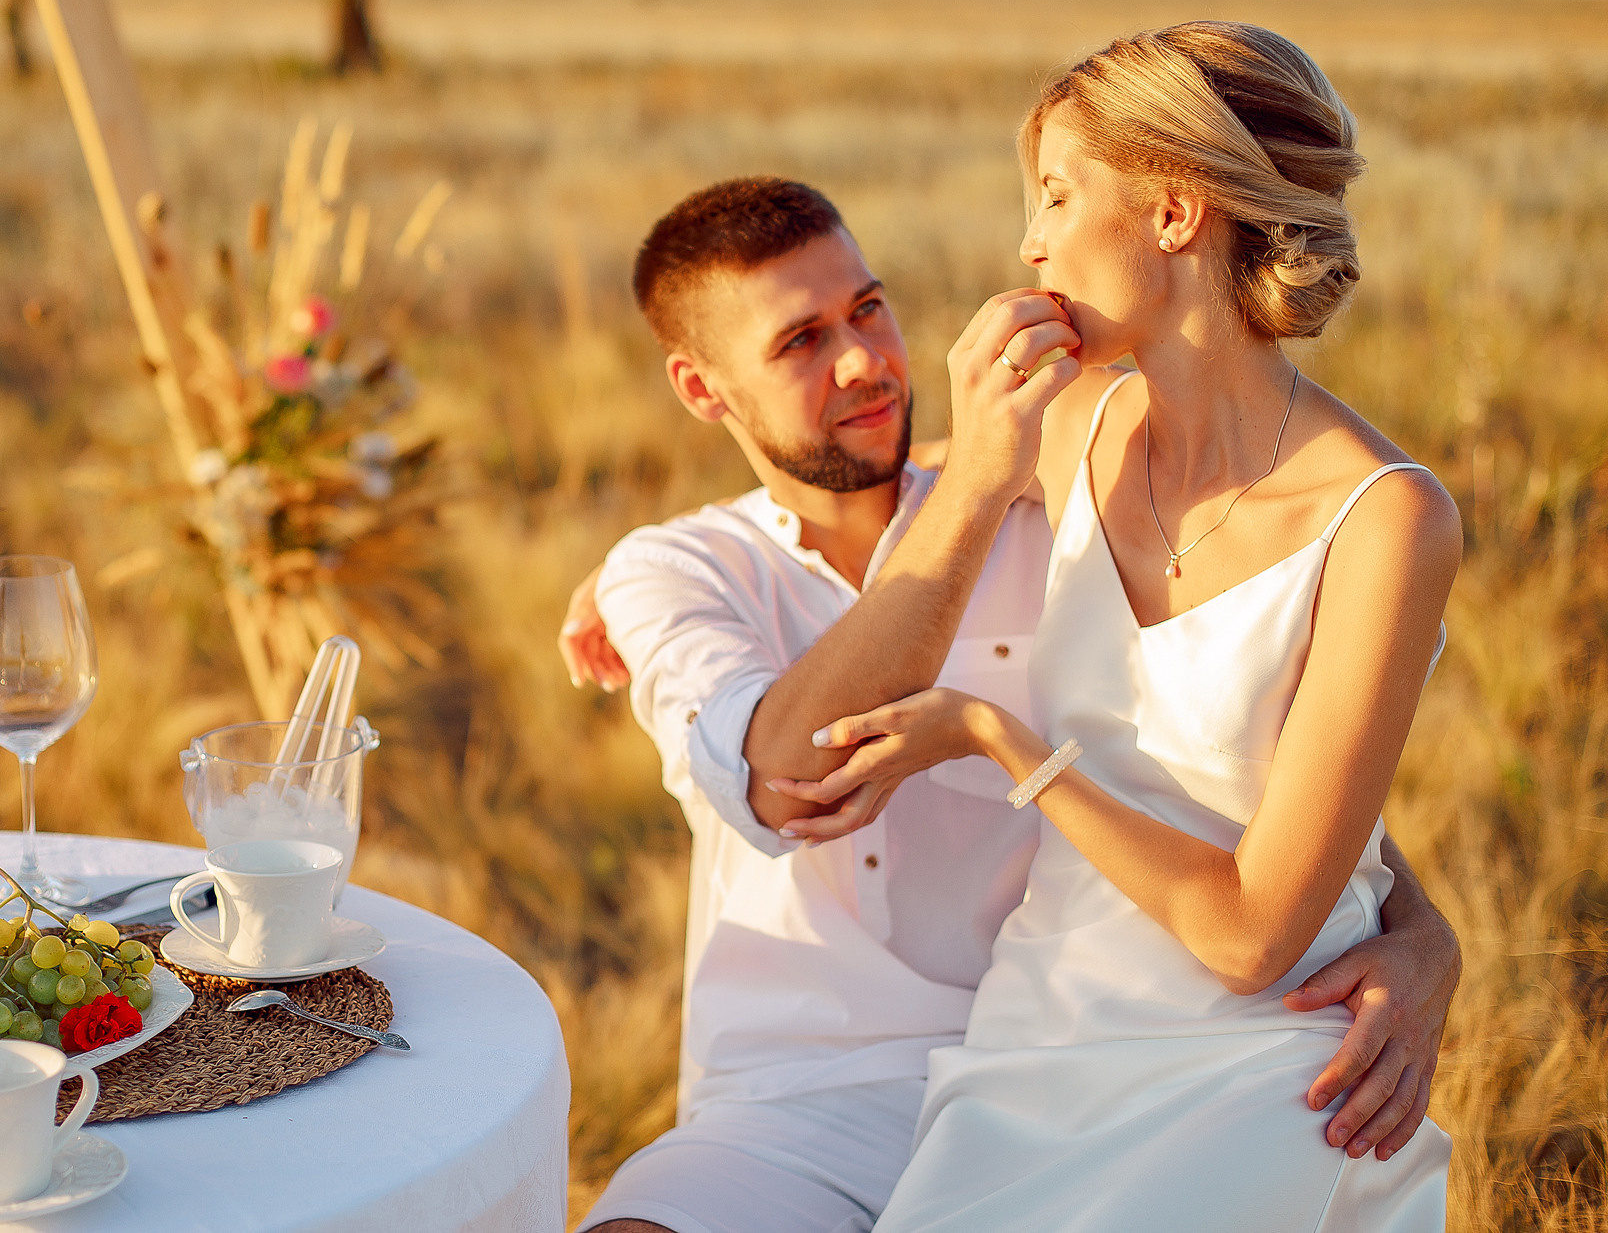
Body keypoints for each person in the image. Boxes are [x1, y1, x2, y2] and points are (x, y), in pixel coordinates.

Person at [566, 169, 1459, 1233]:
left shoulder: (1065, 507)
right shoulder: (673, 570)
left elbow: (1236, 758)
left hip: (1047, 1057)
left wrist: (1422, 932)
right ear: (701, 389)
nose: (863, 361)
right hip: (788, 1115)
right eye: (798, 342)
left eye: (867, 308)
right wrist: (980, 483)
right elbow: (787, 771)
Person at [765, 23, 1456, 1230]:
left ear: (1176, 211)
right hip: (1036, 1039)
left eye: (1054, 192)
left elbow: (1250, 937)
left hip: (1265, 1061)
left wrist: (998, 739)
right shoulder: (1076, 425)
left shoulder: (1383, 520)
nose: (1028, 241)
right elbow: (877, 487)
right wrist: (637, 568)